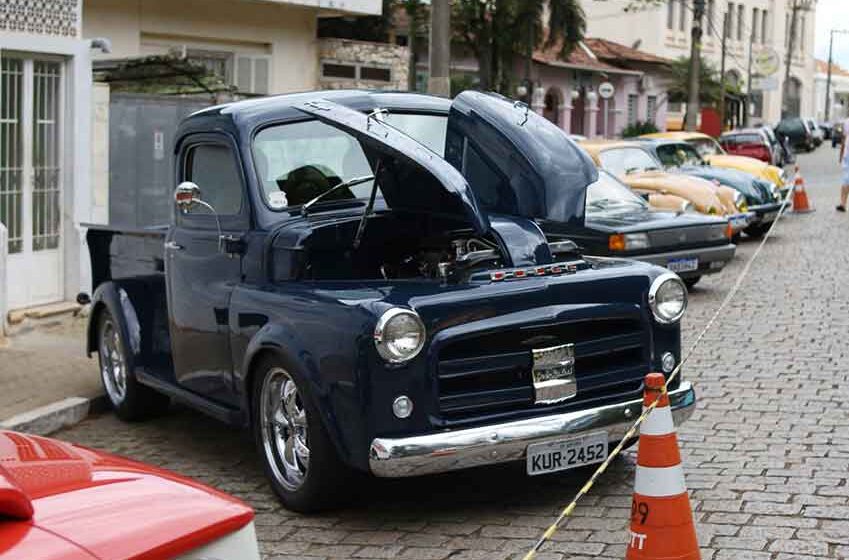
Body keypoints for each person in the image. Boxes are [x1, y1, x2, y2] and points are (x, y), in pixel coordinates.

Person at [839, 117, 849, 212]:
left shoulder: (846, 122)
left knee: (846, 179)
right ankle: (843, 203)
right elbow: (844, 139)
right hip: (848, 155)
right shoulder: (846, 122)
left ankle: (843, 203)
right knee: (846, 179)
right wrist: (841, 154)